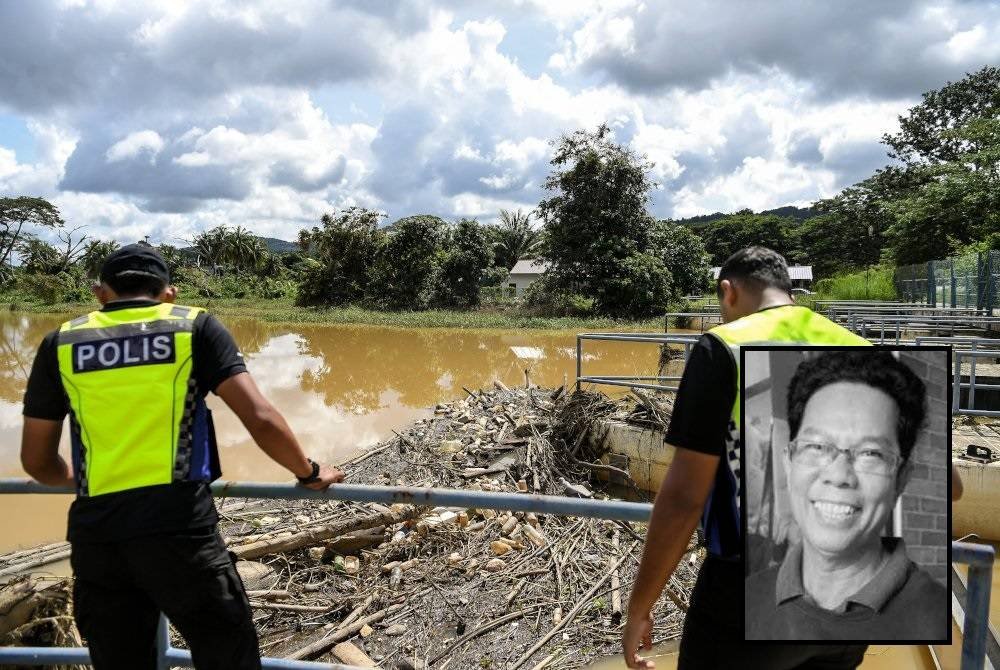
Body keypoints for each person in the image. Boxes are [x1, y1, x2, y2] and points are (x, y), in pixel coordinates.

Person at [19, 244, 344, 670]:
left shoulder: (62, 341)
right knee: (228, 655)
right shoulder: (194, 327)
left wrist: (80, 477)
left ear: (101, 293)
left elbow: (37, 461)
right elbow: (260, 417)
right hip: (181, 532)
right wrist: (309, 471)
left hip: (100, 537)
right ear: (168, 294)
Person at [622, 247, 871, 670]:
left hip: (750, 591)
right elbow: (948, 485)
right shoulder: (860, 348)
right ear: (789, 291)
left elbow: (684, 498)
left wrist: (639, 606)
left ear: (728, 291)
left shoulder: (724, 347)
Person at [745, 351, 948, 641]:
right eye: (816, 446)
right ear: (788, 463)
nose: (839, 475)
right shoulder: (750, 598)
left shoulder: (936, 620)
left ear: (901, 478)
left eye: (870, 453)